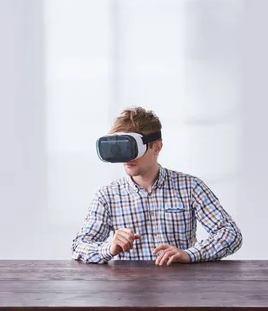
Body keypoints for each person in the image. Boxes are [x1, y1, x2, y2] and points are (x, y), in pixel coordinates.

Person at [71, 106, 243, 265]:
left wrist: (190, 254)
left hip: (180, 290)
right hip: (128, 293)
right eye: (121, 149)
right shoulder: (107, 197)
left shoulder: (190, 187)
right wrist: (109, 248)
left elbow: (231, 234)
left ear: (157, 147)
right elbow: (79, 246)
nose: (127, 158)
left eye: (133, 149)